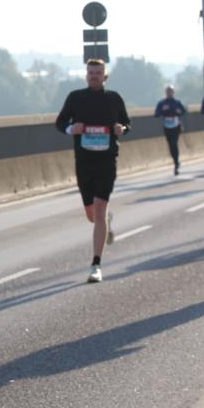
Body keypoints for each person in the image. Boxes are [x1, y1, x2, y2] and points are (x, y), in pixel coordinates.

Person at [55, 59, 131, 283]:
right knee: (92, 216)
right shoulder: (76, 98)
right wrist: (71, 128)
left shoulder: (114, 99)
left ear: (105, 77)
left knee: (98, 211)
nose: (94, 76)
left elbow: (127, 123)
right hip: (84, 162)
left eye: (99, 73)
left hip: (107, 161)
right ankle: (105, 221)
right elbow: (60, 122)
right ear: (86, 76)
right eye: (91, 73)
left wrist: (121, 129)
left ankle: (95, 265)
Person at [153, 85, 186, 175]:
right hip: (167, 126)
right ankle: (176, 160)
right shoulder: (162, 103)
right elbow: (156, 114)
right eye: (168, 92)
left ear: (173, 92)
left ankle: (176, 163)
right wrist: (162, 110)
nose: (169, 93)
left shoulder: (177, 102)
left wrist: (179, 112)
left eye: (171, 91)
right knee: (170, 145)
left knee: (174, 143)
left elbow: (184, 111)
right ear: (166, 93)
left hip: (176, 126)